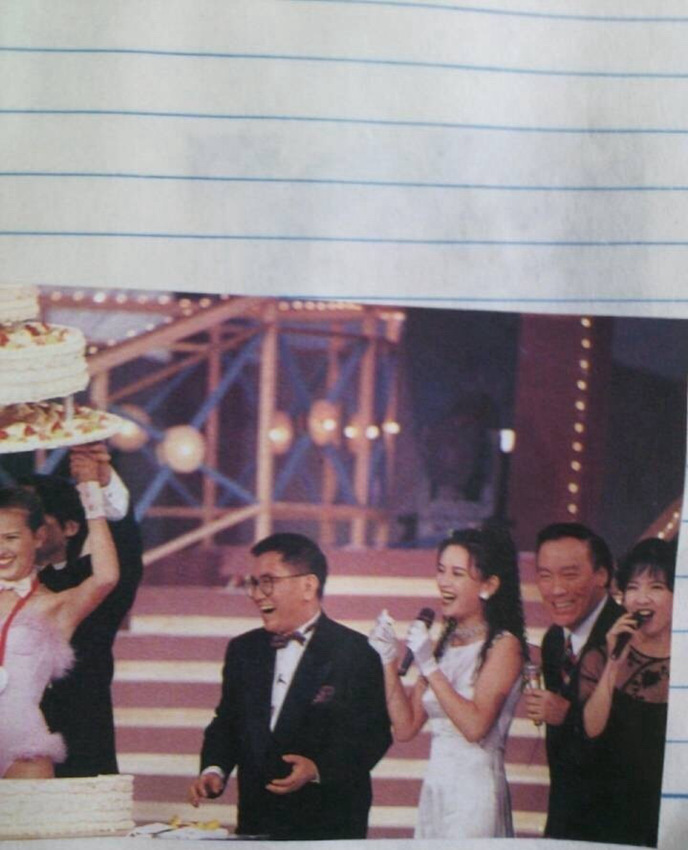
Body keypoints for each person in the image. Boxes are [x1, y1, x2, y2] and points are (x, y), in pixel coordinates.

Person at [188, 532, 392, 840]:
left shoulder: (355, 651)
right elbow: (227, 722)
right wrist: (214, 769)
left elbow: (374, 736)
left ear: (308, 586)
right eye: (253, 583)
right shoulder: (243, 650)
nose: (256, 595)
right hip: (257, 822)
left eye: (268, 582)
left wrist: (318, 769)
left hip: (329, 826)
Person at [368, 525, 528, 838]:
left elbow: (475, 727)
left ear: (488, 585)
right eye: (441, 570)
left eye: (457, 573)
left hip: (475, 794)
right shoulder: (443, 644)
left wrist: (429, 665)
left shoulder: (505, 646)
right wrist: (387, 659)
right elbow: (405, 727)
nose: (443, 581)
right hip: (436, 789)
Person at [22, 442, 143, 777]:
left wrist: (99, 484)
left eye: (35, 519)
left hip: (78, 747)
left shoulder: (90, 584)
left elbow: (122, 552)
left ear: (70, 528)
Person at [0, 451, 119, 778]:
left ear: (38, 538)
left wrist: (91, 490)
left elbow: (106, 577)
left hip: (21, 747)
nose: (1, 549)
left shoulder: (53, 606)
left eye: (11, 538)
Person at [525, 521, 624, 841]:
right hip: (565, 825)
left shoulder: (628, 637)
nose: (556, 590)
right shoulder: (554, 641)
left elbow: (639, 750)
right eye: (545, 575)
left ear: (602, 575)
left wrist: (567, 715)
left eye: (569, 574)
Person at [579, 537, 674, 847]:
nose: (641, 598)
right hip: (610, 812)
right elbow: (591, 729)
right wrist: (613, 663)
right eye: (633, 588)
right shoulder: (600, 655)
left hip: (670, 813)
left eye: (656, 587)